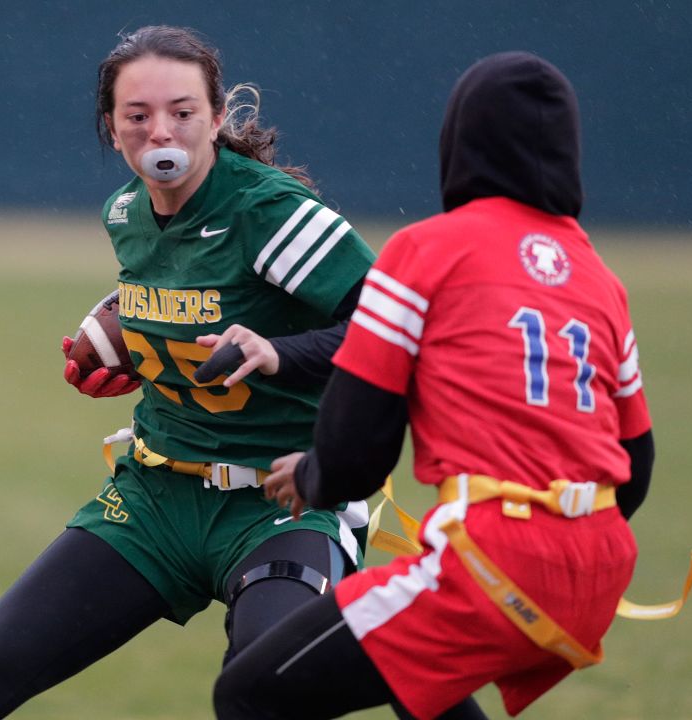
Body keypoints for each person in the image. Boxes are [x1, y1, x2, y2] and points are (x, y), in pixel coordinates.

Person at [0, 25, 378, 718]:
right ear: (111, 128)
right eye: (138, 115)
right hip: (153, 500)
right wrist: (141, 356)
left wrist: (280, 355)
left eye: (183, 112)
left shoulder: (267, 212)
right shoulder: (125, 213)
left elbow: (395, 328)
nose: (162, 131)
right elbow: (191, 303)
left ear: (217, 118)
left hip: (280, 505)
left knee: (263, 701)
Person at [213, 51, 656, 719]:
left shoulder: (426, 251)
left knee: (251, 695)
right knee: (414, 685)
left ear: (459, 143)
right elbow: (637, 467)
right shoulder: (600, 280)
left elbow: (360, 450)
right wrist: (564, 546)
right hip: (599, 564)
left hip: (494, 558)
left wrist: (317, 476)